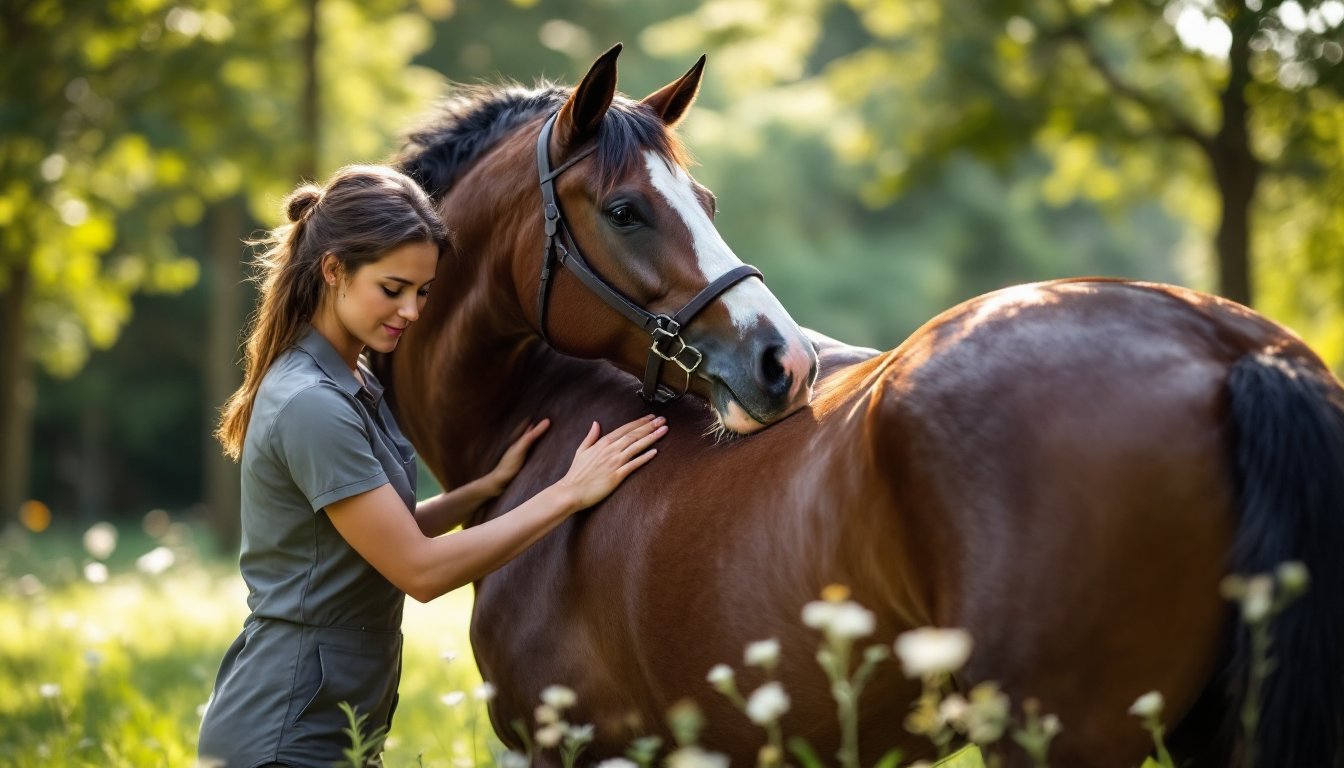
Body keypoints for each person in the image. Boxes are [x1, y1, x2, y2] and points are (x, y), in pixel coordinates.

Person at [198, 164, 667, 767]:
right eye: (392, 289)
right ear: (334, 270)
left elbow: (376, 536)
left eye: (422, 292)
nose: (412, 311)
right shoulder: (311, 403)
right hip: (284, 736)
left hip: (326, 724)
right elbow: (418, 572)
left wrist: (487, 490)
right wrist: (566, 494)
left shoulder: (351, 378)